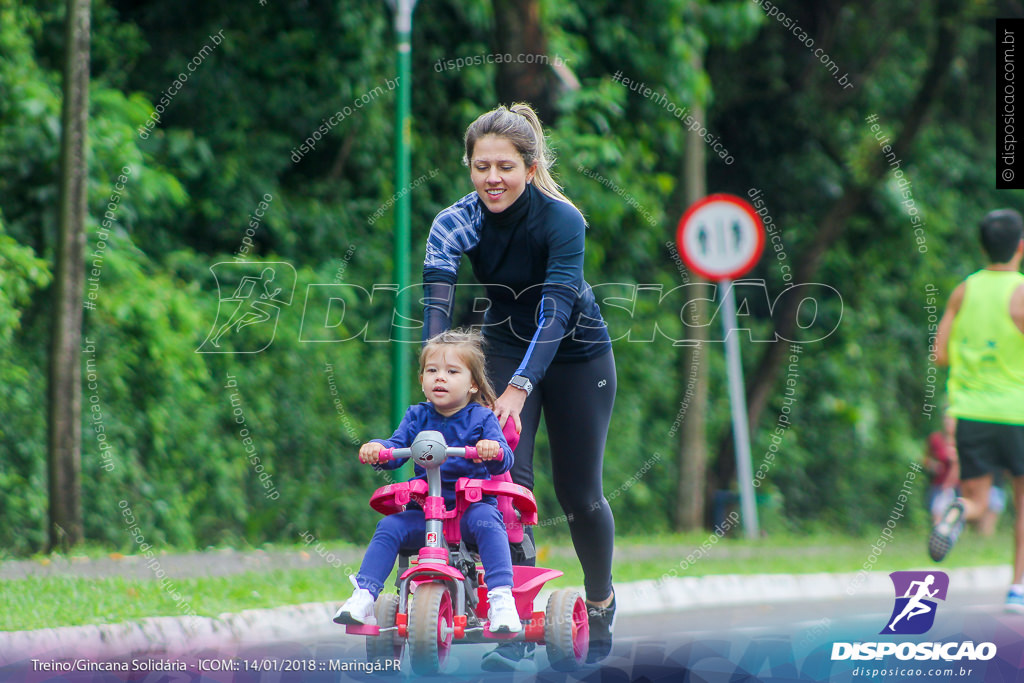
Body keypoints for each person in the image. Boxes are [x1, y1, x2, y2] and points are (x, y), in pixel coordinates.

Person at [421, 103, 617, 669]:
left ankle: (600, 601)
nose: (492, 179)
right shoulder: (455, 222)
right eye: (481, 166)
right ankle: (513, 621)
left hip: (578, 353)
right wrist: (437, 377)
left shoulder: (561, 219)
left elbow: (555, 312)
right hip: (504, 345)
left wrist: (521, 387)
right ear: (469, 167)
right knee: (503, 481)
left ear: (530, 168)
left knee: (579, 494)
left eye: (505, 166)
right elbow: (437, 312)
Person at [333, 330, 521, 632]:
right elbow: (395, 450)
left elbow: (505, 460)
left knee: (488, 521)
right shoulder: (417, 416)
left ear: (473, 384)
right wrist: (379, 448)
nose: (440, 378)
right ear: (422, 380)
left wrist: (492, 449)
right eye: (431, 370)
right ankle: (364, 594)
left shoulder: (483, 419)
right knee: (390, 526)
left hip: (470, 511)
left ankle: (501, 599)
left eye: (452, 371)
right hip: (425, 512)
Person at [928, 208, 1024, 613]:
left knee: (978, 500)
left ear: (982, 246)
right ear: (1021, 247)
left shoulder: (963, 291)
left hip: (971, 414)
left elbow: (939, 354)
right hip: (1018, 413)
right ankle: (1018, 589)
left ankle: (957, 511)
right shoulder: (1021, 292)